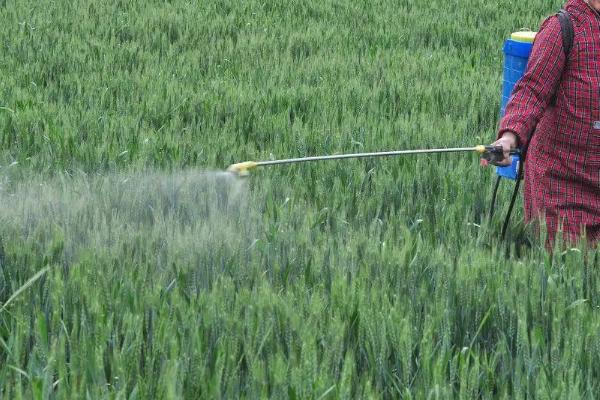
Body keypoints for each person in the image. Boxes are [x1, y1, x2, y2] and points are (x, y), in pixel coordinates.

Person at [493, 0, 600, 245]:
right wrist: (509, 137)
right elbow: (532, 90)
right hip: (560, 186)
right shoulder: (562, 29)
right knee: (563, 272)